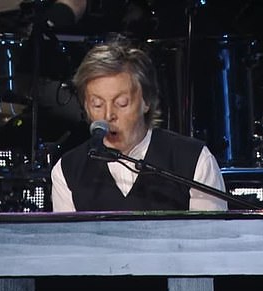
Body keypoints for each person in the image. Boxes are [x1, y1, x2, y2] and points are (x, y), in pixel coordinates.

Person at [50, 38, 228, 212]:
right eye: (97, 104)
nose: (108, 115)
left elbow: (209, 238)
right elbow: (70, 241)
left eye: (121, 103)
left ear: (146, 101)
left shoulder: (193, 160)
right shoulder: (68, 170)